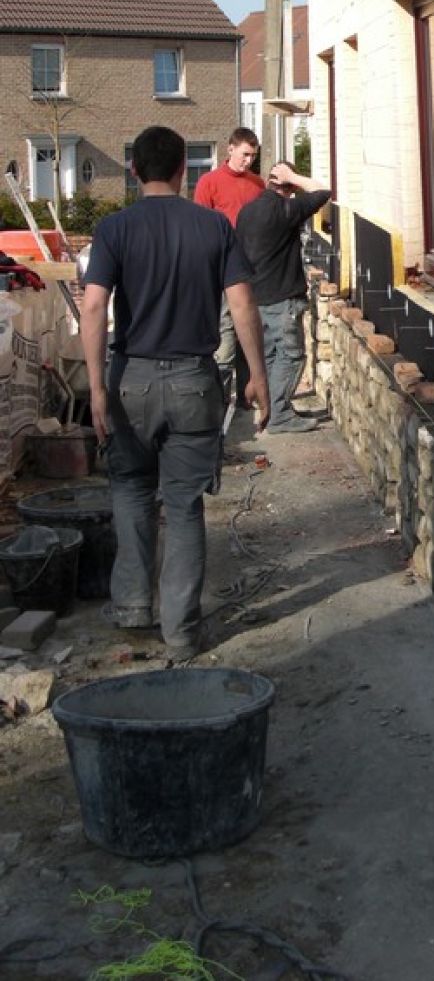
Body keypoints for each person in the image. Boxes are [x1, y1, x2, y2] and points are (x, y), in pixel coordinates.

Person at [80, 126, 270, 662]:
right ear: (184, 169)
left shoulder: (113, 229)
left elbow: (93, 307)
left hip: (131, 380)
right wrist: (258, 375)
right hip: (193, 381)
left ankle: (133, 607)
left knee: (131, 491)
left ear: (134, 171)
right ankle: (182, 632)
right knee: (184, 505)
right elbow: (242, 305)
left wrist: (96, 388)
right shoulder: (213, 227)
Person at [235, 160, 331, 433]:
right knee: (291, 356)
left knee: (268, 356)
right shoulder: (285, 209)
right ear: (289, 187)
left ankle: (269, 409)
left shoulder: (247, 211)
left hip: (254, 298)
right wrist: (294, 177)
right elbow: (323, 191)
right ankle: (279, 414)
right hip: (281, 298)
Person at [194, 127, 266, 401]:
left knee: (250, 334)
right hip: (222, 269)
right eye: (245, 154)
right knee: (225, 337)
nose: (248, 160)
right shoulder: (209, 182)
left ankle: (248, 399)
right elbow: (201, 228)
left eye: (253, 156)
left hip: (252, 268)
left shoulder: (257, 184)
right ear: (231, 149)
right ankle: (219, 401)